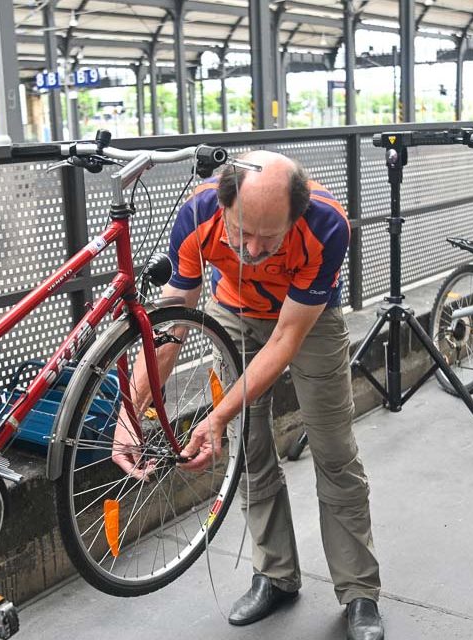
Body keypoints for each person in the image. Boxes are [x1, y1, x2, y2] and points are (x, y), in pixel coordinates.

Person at [113, 150, 385, 640]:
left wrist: (215, 415)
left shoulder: (326, 224)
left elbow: (284, 340)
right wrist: (130, 411)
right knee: (249, 452)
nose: (253, 249)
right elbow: (172, 321)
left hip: (307, 324)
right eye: (241, 232)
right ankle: (275, 575)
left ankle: (359, 592)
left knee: (335, 453)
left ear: (295, 217)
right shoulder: (197, 212)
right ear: (223, 207)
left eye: (269, 236)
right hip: (232, 316)